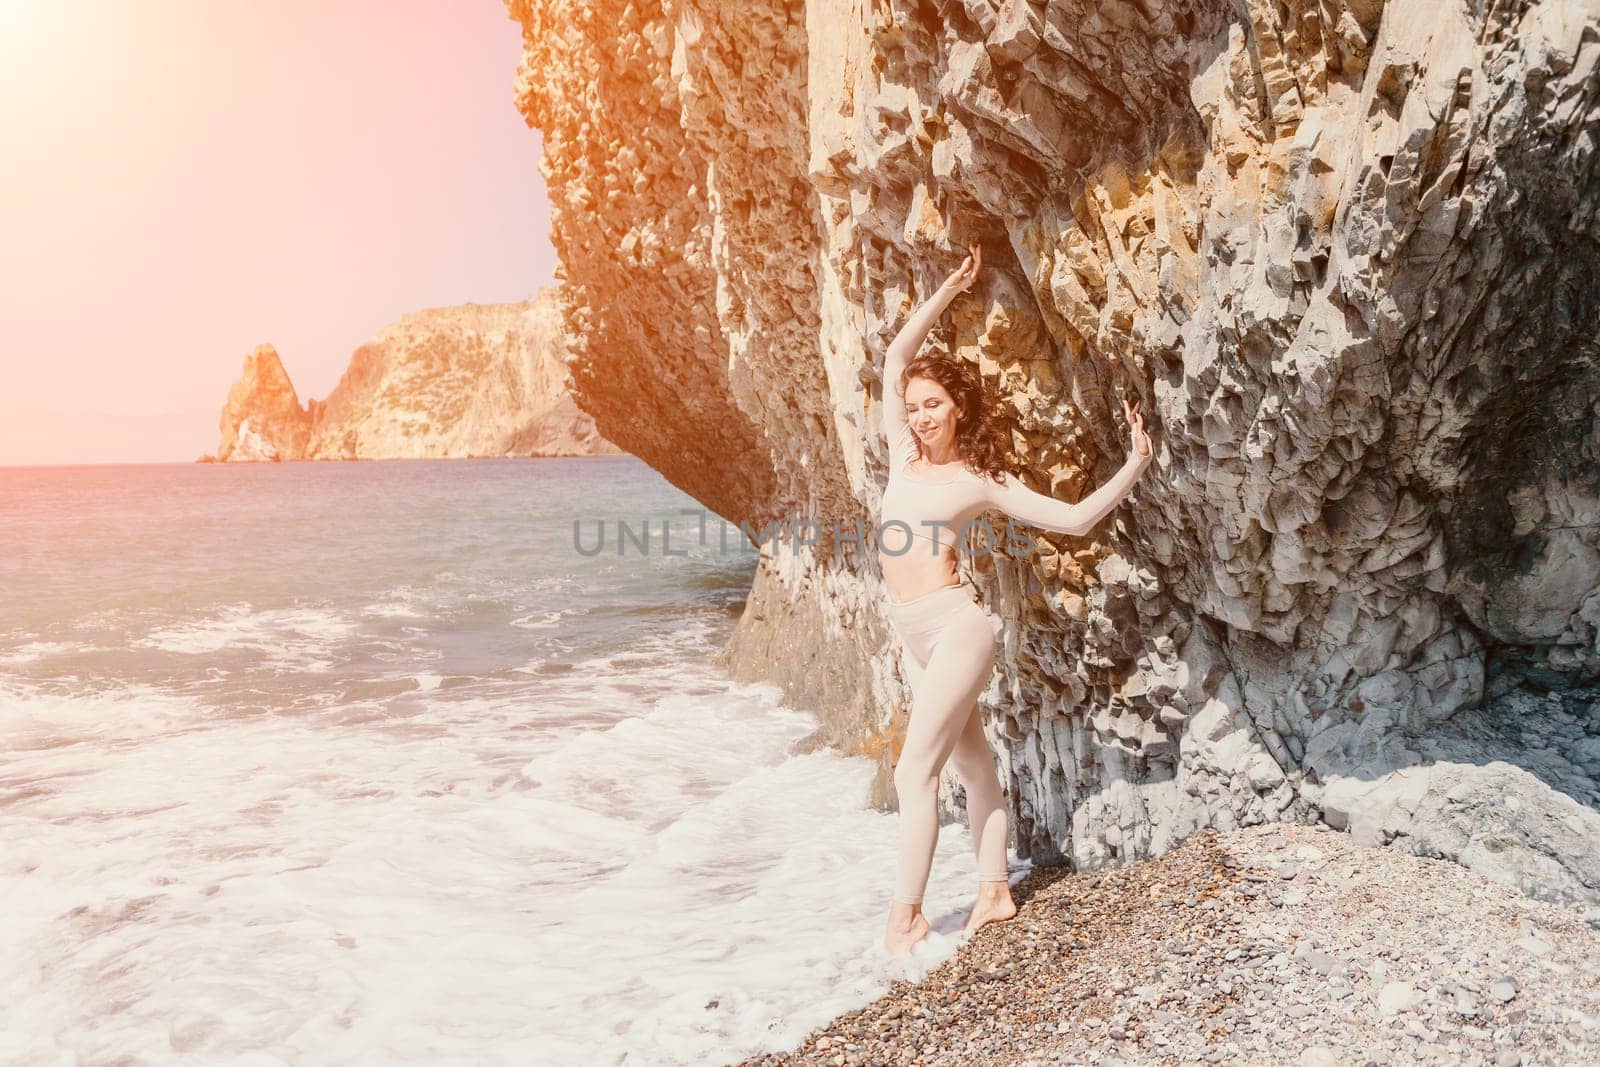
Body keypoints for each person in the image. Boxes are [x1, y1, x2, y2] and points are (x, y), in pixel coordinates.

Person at [877, 242, 1154, 955]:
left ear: (958, 409)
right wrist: (946, 289)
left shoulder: (976, 479)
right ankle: (995, 891)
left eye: (933, 405)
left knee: (915, 771)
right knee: (972, 767)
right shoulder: (898, 452)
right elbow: (893, 358)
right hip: (912, 634)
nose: (920, 416)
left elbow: (1072, 519)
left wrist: (1135, 462)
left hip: (957, 628)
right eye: (914, 407)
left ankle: (905, 917)